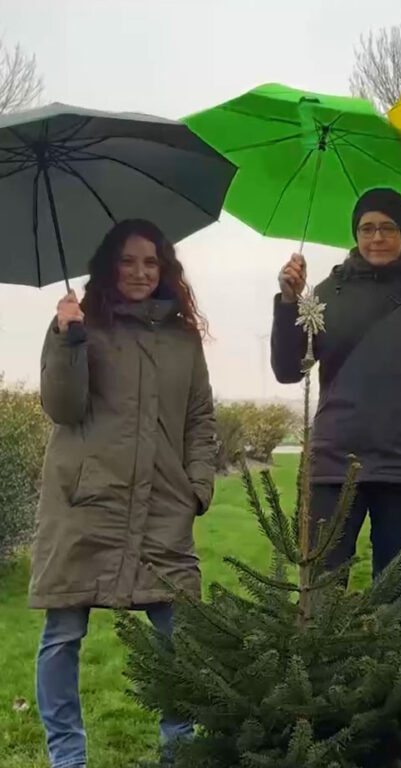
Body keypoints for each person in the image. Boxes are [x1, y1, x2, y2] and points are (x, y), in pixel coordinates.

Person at [30, 219, 217, 768]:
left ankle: (177, 748)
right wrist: (68, 339)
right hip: (86, 503)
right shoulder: (78, 324)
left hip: (163, 504)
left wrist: (197, 489)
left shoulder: (183, 339)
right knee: (62, 634)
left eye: (151, 262)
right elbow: (62, 408)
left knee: (182, 636)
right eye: (129, 261)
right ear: (109, 266)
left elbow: (199, 418)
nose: (140, 272)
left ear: (166, 271)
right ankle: (68, 756)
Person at [271, 187, 401, 617]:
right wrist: (289, 302)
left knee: (395, 589)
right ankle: (321, 682)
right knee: (322, 587)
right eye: (366, 228)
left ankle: (390, 682)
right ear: (355, 233)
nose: (376, 237)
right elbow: (290, 369)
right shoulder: (326, 292)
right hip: (333, 463)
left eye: (387, 228)